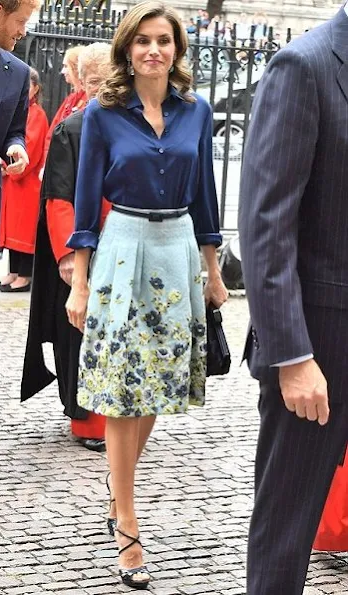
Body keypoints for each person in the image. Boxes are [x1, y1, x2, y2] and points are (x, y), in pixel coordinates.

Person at [65, 0, 228, 589]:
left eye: (164, 40)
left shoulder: (199, 110)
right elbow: (86, 203)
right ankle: (127, 518)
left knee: (155, 385)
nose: (154, 50)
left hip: (178, 250)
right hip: (122, 250)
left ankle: (118, 491)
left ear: (177, 51)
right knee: (121, 388)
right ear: (127, 51)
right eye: (143, 41)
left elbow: (206, 194)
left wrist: (213, 272)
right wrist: (79, 282)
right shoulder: (102, 114)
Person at [238, 4, 348, 595]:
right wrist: (292, 356)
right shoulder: (303, 66)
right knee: (286, 529)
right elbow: (265, 225)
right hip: (321, 347)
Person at [21, 43, 112, 452]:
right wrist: (67, 257)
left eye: (109, 80)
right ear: (84, 83)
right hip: (82, 248)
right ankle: (88, 421)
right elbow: (59, 198)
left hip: (124, 245)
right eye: (95, 82)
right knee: (81, 337)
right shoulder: (71, 129)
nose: (103, 89)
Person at [0, 0, 40, 305]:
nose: (23, 31)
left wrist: (16, 146)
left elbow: (15, 129)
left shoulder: (18, 73)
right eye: (21, 21)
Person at [0, 67, 48, 293]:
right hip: (13, 183)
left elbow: (31, 147)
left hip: (25, 182)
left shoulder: (37, 114)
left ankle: (24, 275)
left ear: (35, 88)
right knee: (12, 231)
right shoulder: (24, 111)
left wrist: (5, 166)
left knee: (22, 232)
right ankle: (13, 272)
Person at [42, 45, 86, 166]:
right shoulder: (71, 98)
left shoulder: (87, 99)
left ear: (76, 69)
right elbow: (52, 133)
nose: (62, 71)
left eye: (66, 66)